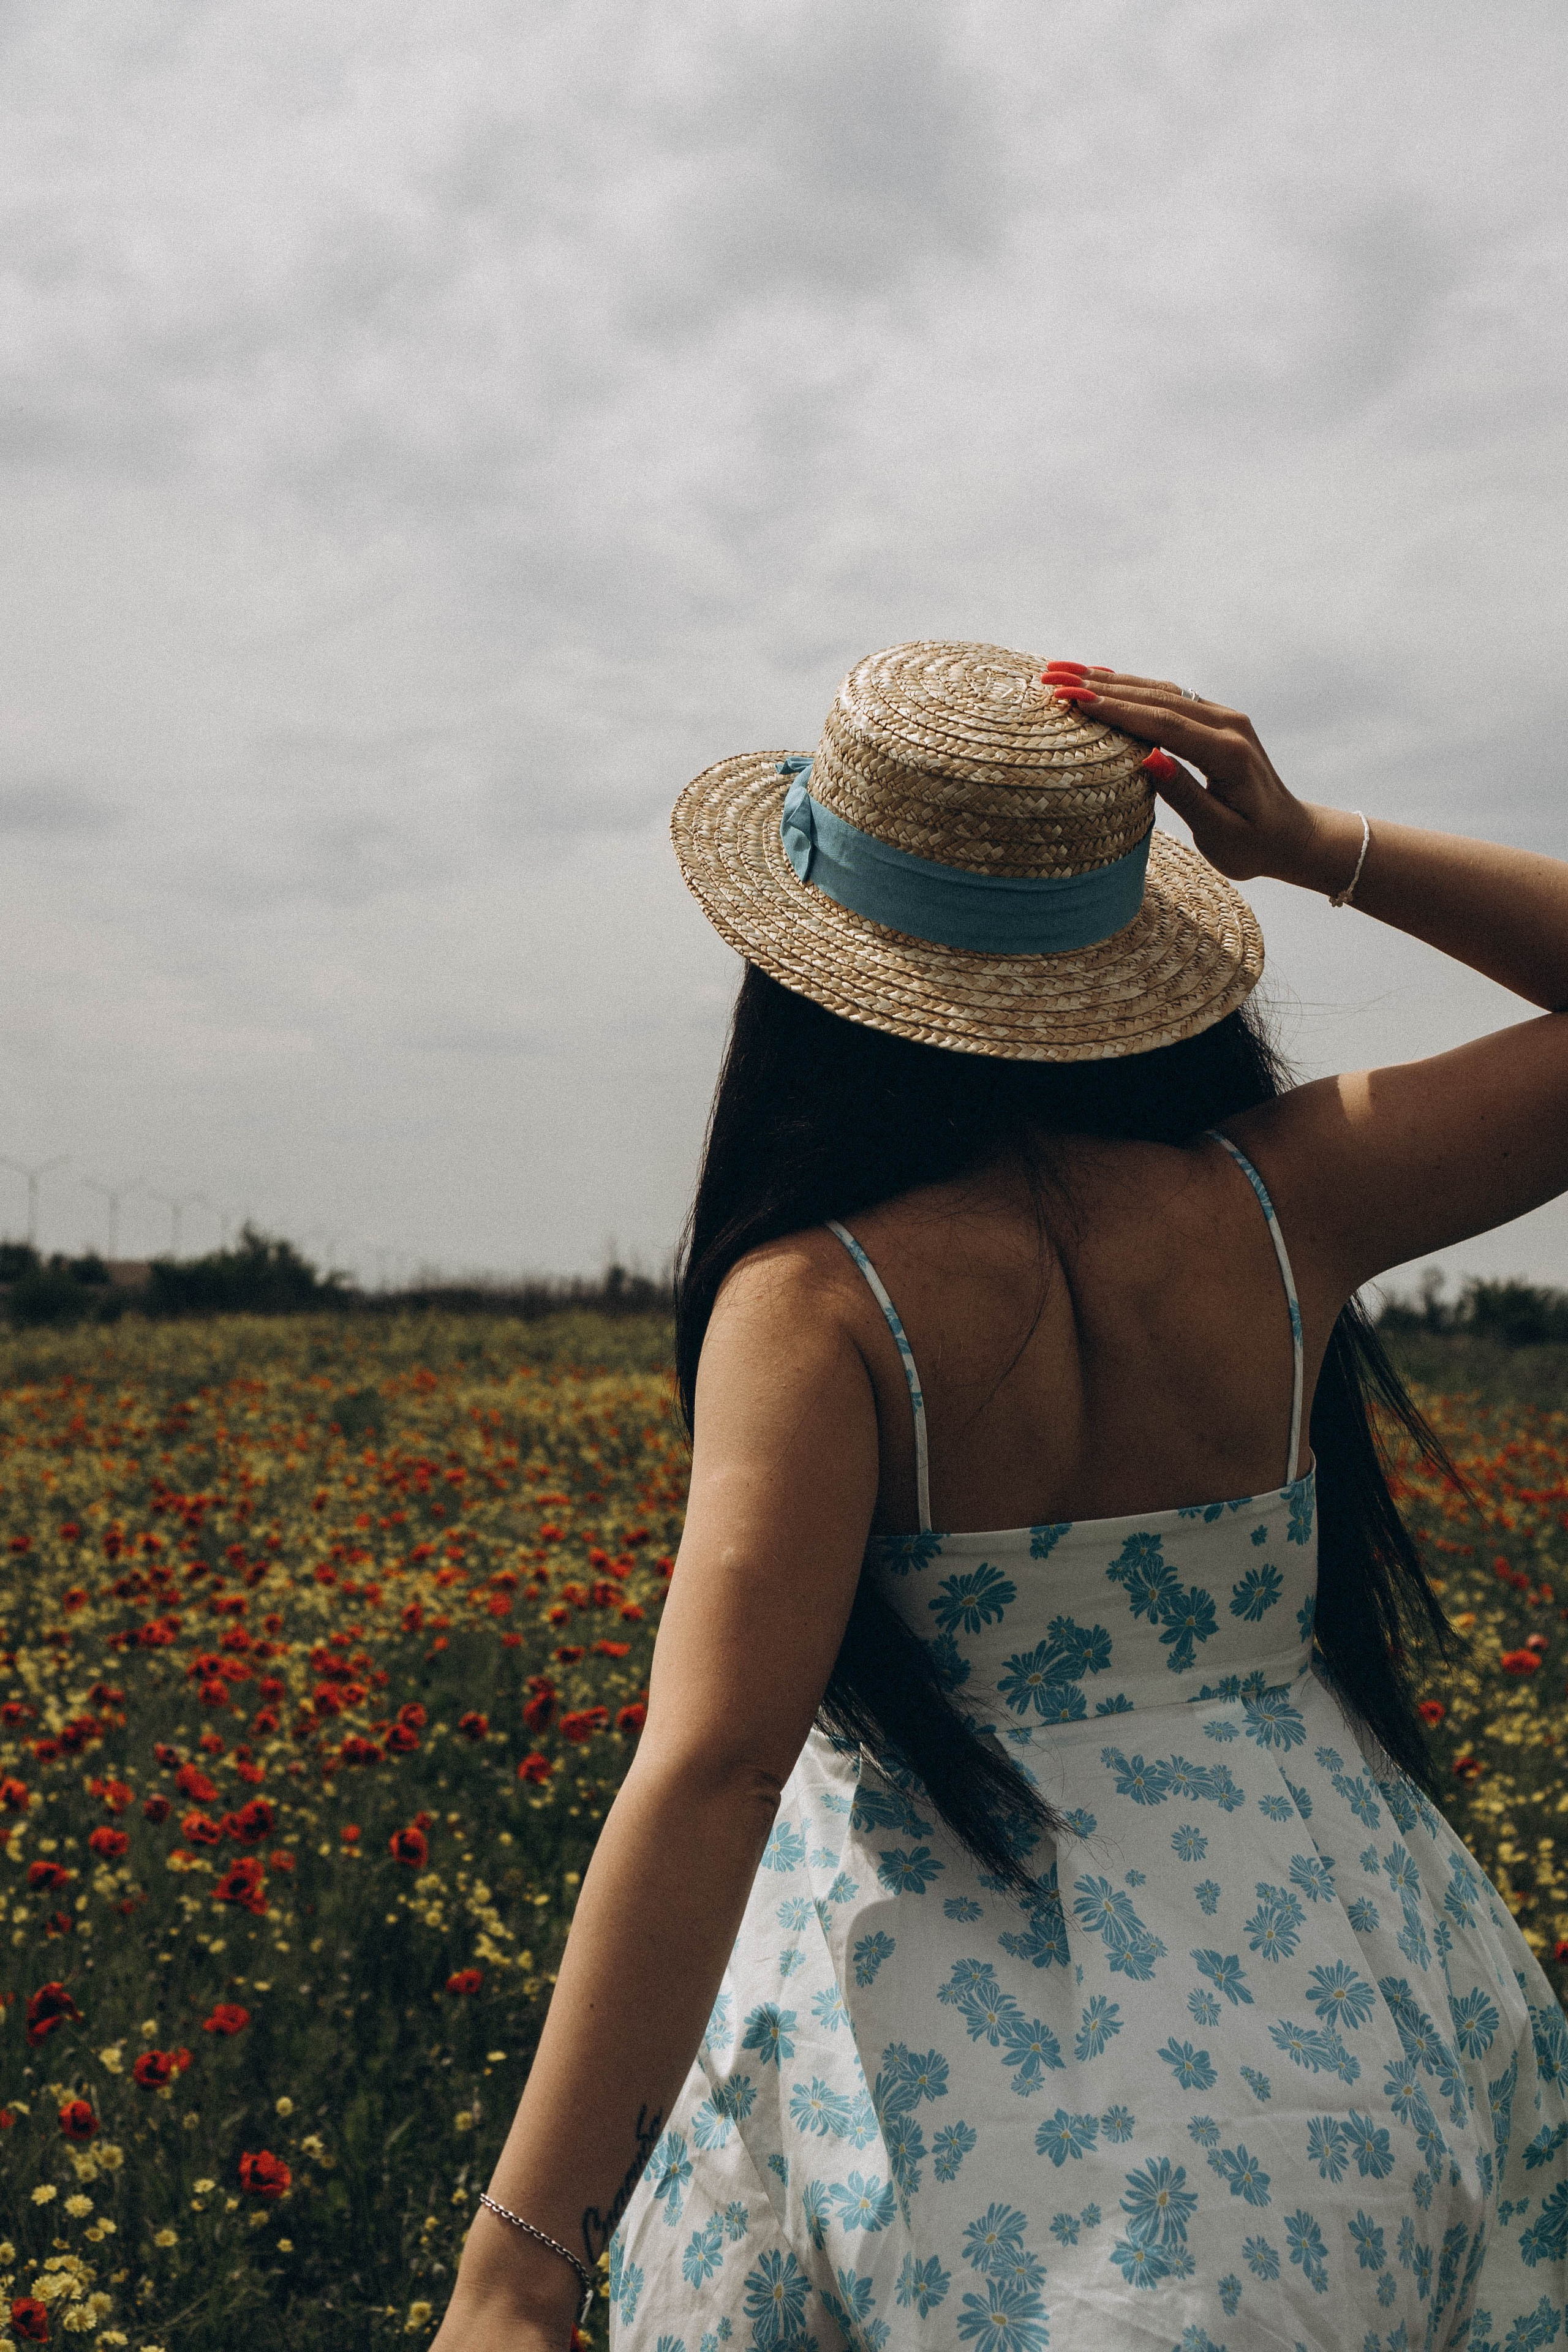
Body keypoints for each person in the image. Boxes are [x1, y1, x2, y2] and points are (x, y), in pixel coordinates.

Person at [432, 641, 1568, 2352]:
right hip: (1344, 1994)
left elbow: (721, 1760)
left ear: (806, 971)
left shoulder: (818, 1302)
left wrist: (518, 2266)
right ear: (1127, 945)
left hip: (944, 2067)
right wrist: (1317, 841)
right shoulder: (1287, 1201)